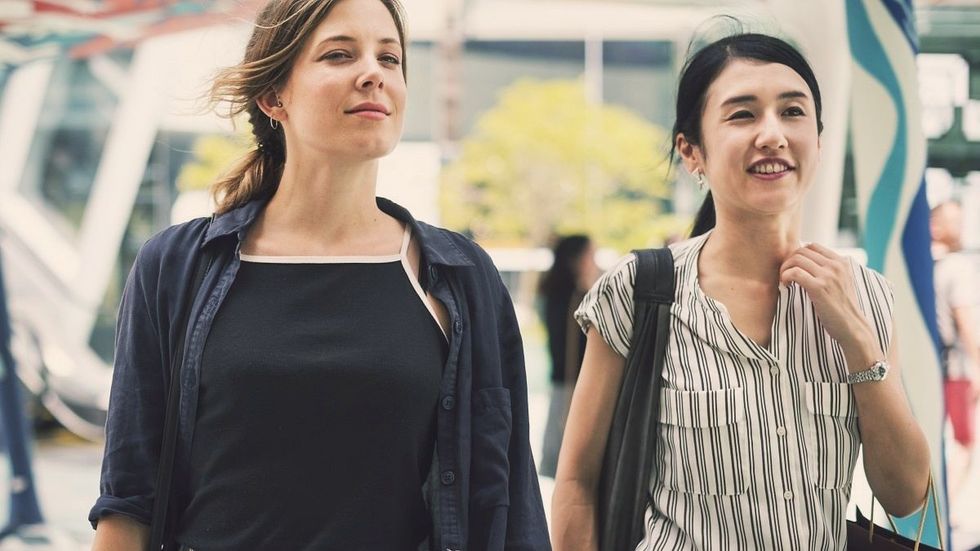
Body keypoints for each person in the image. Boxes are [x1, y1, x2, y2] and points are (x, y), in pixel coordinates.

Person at [88, 1, 550, 549]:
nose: (373, 73)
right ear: (273, 95)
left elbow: (510, 501)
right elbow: (128, 498)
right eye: (338, 54)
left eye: (391, 58)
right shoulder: (175, 266)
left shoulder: (460, 276)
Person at [551, 32, 931, 550]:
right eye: (742, 114)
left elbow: (906, 494)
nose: (772, 134)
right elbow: (577, 484)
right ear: (692, 152)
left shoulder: (863, 293)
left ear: (818, 140)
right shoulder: (639, 289)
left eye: (793, 112)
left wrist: (858, 343)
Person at [931, 200, 980, 520]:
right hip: (957, 369)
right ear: (935, 225)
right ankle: (941, 510)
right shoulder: (957, 268)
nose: (960, 228)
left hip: (932, 366)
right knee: (963, 442)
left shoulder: (922, 267)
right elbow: (967, 324)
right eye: (953, 221)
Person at [538, 235, 599, 478]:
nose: (594, 261)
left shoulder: (551, 294)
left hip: (561, 383)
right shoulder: (580, 298)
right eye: (590, 255)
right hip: (576, 386)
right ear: (577, 260)